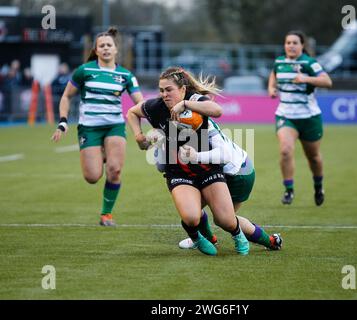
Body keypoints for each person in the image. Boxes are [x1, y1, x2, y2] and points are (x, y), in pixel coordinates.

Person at [126, 66, 249, 256]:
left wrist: (185, 104)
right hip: (179, 170)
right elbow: (132, 113)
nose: (164, 94)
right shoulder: (155, 106)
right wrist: (138, 135)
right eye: (161, 90)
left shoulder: (193, 99)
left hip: (207, 167)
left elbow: (216, 110)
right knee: (191, 217)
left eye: (169, 90)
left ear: (182, 89)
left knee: (226, 220)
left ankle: (237, 234)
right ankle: (198, 238)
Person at [51, 27, 144, 226]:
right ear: (96, 50)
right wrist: (63, 121)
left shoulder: (125, 75)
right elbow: (66, 96)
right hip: (89, 127)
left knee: (115, 170)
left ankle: (106, 214)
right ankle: (100, 152)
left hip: (115, 126)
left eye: (109, 45)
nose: (106, 48)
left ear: (116, 49)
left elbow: (140, 103)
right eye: (101, 46)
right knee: (92, 177)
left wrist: (154, 121)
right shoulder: (84, 71)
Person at [175, 118, 283, 252]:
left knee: (224, 219)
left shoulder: (198, 120)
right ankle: (208, 239)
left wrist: (195, 156)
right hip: (235, 168)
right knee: (193, 208)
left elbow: (223, 155)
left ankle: (271, 241)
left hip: (238, 173)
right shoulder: (194, 116)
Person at [268, 30, 332, 206]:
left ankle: (318, 186)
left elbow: (327, 82)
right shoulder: (279, 62)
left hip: (309, 117)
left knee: (313, 156)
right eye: (288, 43)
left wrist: (306, 78)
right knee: (285, 150)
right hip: (286, 115)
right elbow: (273, 75)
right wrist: (271, 88)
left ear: (302, 46)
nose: (291, 46)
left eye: (295, 43)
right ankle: (289, 190)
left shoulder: (310, 63)